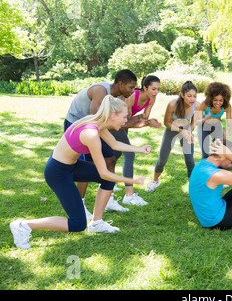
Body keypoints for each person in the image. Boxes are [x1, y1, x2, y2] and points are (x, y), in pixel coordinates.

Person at [10, 96, 152, 249]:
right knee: (77, 223)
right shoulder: (91, 134)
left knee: (109, 181)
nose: (125, 121)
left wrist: (139, 149)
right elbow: (103, 172)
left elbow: (114, 143)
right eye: (124, 117)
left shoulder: (97, 122)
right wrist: (132, 181)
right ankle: (22, 226)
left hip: (72, 166)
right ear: (113, 116)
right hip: (58, 173)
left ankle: (96, 223)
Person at [64, 69, 142, 214]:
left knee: (110, 159)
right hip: (77, 125)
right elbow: (97, 119)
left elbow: (107, 124)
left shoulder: (117, 97)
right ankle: (80, 204)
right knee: (87, 165)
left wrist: (133, 121)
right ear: (120, 83)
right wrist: (130, 123)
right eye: (130, 87)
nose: (133, 91)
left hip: (93, 127)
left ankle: (108, 200)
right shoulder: (101, 91)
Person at [111, 75, 162, 206]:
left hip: (124, 122)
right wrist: (145, 122)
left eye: (158, 89)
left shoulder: (151, 99)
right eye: (153, 89)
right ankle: (129, 195)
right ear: (145, 87)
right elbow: (126, 120)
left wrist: (150, 122)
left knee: (116, 153)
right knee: (129, 154)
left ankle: (108, 182)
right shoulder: (133, 96)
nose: (156, 92)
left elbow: (143, 117)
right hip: (115, 122)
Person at [145, 81, 200, 192]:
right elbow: (166, 123)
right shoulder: (172, 104)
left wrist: (189, 131)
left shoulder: (197, 105)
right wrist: (180, 131)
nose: (192, 99)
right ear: (182, 95)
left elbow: (194, 122)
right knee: (162, 159)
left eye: (194, 96)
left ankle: (192, 187)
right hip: (172, 128)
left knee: (190, 160)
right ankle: (155, 181)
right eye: (189, 96)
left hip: (185, 128)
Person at [197, 82, 232, 159]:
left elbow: (229, 124)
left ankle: (216, 170)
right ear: (210, 98)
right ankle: (205, 169)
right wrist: (204, 118)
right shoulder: (204, 104)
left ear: (225, 99)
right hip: (203, 126)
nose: (218, 103)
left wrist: (227, 130)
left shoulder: (227, 107)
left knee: (218, 152)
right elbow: (196, 122)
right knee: (205, 153)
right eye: (215, 100)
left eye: (221, 100)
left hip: (217, 127)